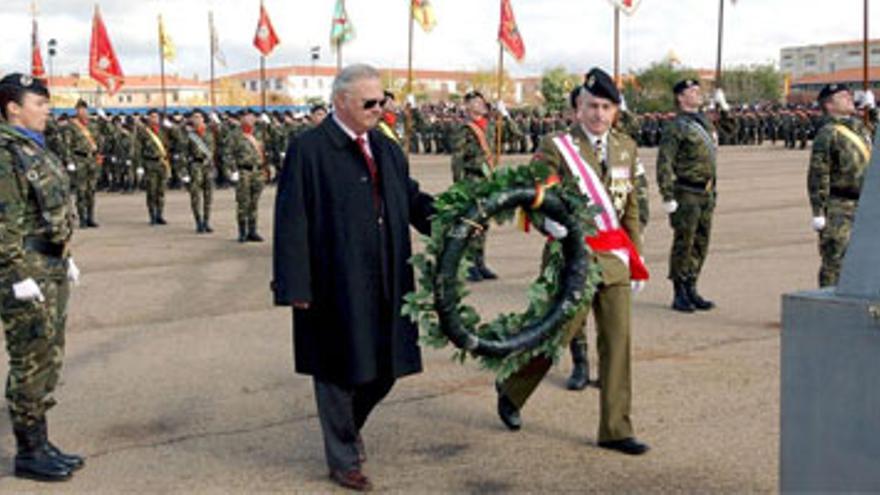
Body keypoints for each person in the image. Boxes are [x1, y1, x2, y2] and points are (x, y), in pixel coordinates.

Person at [272, 64, 434, 491]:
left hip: (388, 276)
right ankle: (343, 458)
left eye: (382, 101)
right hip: (334, 280)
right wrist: (293, 284)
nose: (379, 109)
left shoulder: (387, 148)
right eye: (369, 102)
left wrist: (453, 219)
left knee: (385, 368)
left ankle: (347, 428)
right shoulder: (309, 149)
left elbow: (410, 198)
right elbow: (291, 219)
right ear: (341, 101)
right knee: (336, 370)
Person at [495, 67, 649, 456]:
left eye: (606, 107)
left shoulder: (626, 147)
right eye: (592, 106)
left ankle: (616, 429)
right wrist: (548, 222)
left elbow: (630, 206)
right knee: (555, 337)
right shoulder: (556, 146)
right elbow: (535, 194)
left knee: (618, 344)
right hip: (572, 257)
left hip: (614, 258)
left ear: (616, 111)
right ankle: (512, 389)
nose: (599, 114)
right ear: (578, 108)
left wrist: (636, 256)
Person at [0, 73, 84, 481]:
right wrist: (16, 274)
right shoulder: (5, 154)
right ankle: (29, 452)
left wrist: (65, 255)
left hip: (50, 263)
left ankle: (42, 442)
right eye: (39, 103)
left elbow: (51, 210)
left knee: (49, 356)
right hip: (25, 268)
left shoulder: (34, 148)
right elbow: (4, 224)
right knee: (30, 359)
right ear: (13, 108)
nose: (47, 110)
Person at [655, 79, 731, 312]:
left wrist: (724, 107)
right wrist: (667, 195)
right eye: (693, 91)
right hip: (686, 192)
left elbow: (730, 131)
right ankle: (679, 291)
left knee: (700, 242)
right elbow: (664, 161)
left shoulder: (704, 122)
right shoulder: (676, 126)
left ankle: (692, 286)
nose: (698, 94)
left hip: (707, 192)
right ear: (681, 97)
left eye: (699, 90)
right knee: (684, 243)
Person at [807, 83, 874, 287]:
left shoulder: (859, 127)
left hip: (866, 204)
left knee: (866, 261)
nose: (849, 98)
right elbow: (818, 173)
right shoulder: (828, 133)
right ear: (829, 105)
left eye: (849, 95)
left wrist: (872, 110)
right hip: (840, 207)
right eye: (843, 97)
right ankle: (827, 301)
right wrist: (818, 211)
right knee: (835, 261)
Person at [450, 91, 519, 282]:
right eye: (476, 102)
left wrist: (505, 115)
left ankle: (480, 263)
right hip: (472, 181)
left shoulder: (491, 126)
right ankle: (469, 264)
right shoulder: (465, 129)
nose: (481, 105)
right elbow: (457, 160)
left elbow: (516, 135)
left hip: (488, 180)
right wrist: (459, 186)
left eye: (482, 102)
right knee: (472, 223)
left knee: (484, 224)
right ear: (467, 106)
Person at [223, 109, 268, 243]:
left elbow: (265, 150)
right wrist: (233, 171)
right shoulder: (234, 135)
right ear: (241, 119)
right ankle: (242, 232)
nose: (250, 119)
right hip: (243, 172)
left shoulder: (259, 133)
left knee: (254, 203)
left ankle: (252, 231)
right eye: (246, 117)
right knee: (243, 203)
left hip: (257, 171)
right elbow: (227, 154)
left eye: (252, 116)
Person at [63, 99, 103, 228]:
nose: (82, 111)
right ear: (76, 111)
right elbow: (67, 145)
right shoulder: (71, 126)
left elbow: (99, 141)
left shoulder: (93, 125)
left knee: (91, 190)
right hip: (79, 160)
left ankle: (91, 217)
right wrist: (69, 161)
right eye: (80, 109)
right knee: (81, 191)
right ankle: (83, 219)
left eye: (84, 109)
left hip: (92, 160)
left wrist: (99, 155)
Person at [181, 110, 216, 233]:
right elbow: (183, 154)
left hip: (208, 166)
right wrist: (184, 172)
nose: (197, 119)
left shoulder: (209, 133)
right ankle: (198, 222)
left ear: (203, 119)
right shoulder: (189, 135)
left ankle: (206, 222)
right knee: (195, 195)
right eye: (194, 117)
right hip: (195, 166)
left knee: (208, 195)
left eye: (199, 117)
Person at [134, 109, 171, 225]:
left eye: (156, 117)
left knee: (161, 191)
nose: (154, 119)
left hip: (162, 163)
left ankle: (160, 214)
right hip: (150, 164)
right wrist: (139, 165)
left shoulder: (164, 130)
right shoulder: (143, 131)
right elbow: (138, 149)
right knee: (151, 191)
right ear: (148, 118)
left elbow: (178, 138)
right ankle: (152, 215)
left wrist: (171, 126)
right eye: (152, 117)